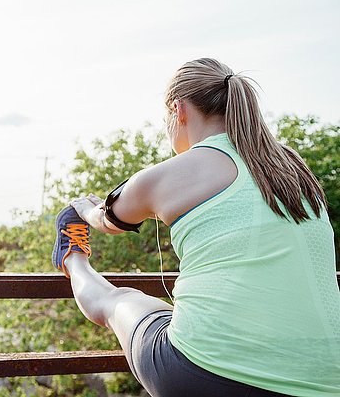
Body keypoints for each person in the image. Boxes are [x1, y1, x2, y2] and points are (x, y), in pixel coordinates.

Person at [51, 58, 340, 397]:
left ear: (179, 109)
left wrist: (81, 210)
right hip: (326, 380)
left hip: (205, 375)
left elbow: (108, 221)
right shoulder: (290, 166)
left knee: (117, 301)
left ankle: (71, 258)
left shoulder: (171, 174)